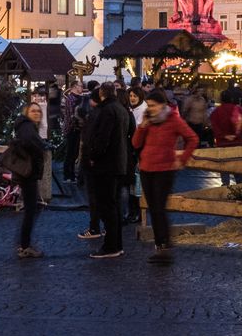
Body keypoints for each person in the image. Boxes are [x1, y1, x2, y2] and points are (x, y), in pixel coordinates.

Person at [133, 89, 199, 263]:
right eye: (149, 106)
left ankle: (163, 246)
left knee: (159, 209)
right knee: (154, 208)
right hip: (147, 168)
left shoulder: (173, 120)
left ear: (162, 105)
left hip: (164, 170)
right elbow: (135, 143)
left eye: (153, 106)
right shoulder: (148, 121)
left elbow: (192, 138)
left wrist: (182, 158)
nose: (150, 109)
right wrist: (142, 127)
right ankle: (160, 245)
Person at [79, 81, 132, 259]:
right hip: (118, 163)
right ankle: (116, 244)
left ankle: (111, 246)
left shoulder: (106, 111)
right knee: (114, 205)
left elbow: (102, 138)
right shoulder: (121, 110)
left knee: (107, 205)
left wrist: (93, 156)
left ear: (102, 94)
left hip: (106, 165)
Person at [11, 100, 48, 258]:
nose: (37, 114)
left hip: (27, 172)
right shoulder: (27, 127)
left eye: (38, 111)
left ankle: (22, 242)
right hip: (28, 172)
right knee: (31, 209)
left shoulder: (25, 126)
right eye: (33, 111)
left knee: (32, 207)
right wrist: (40, 147)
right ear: (27, 113)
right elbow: (28, 142)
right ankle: (24, 245)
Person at [210, 90, 242, 187]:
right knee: (238, 172)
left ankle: (225, 190)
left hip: (222, 144)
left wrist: (223, 136)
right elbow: (241, 123)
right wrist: (236, 135)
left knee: (224, 170)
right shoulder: (238, 110)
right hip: (237, 144)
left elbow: (214, 126)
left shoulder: (216, 112)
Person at [123, 87, 147, 223]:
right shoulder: (132, 110)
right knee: (134, 184)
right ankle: (133, 211)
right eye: (130, 95)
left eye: (134, 96)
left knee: (137, 184)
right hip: (133, 150)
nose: (132, 98)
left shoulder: (142, 110)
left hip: (139, 152)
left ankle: (137, 212)